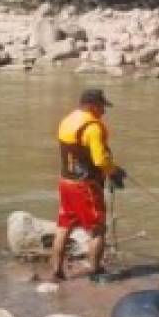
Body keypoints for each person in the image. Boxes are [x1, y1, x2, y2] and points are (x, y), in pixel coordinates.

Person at [51, 88, 125, 280]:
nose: (104, 111)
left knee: (64, 226)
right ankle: (95, 270)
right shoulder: (93, 128)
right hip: (86, 186)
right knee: (97, 229)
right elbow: (100, 160)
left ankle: (56, 270)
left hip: (65, 182)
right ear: (92, 105)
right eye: (101, 106)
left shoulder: (67, 121)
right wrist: (114, 172)